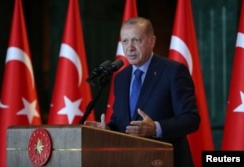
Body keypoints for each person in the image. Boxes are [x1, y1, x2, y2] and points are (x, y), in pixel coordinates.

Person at [85, 17, 200, 167]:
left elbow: (191, 119)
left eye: (136, 40)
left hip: (166, 161)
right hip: (129, 161)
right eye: (125, 41)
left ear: (152, 41)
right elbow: (121, 122)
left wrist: (156, 128)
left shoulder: (173, 72)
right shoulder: (121, 77)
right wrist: (107, 129)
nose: (129, 47)